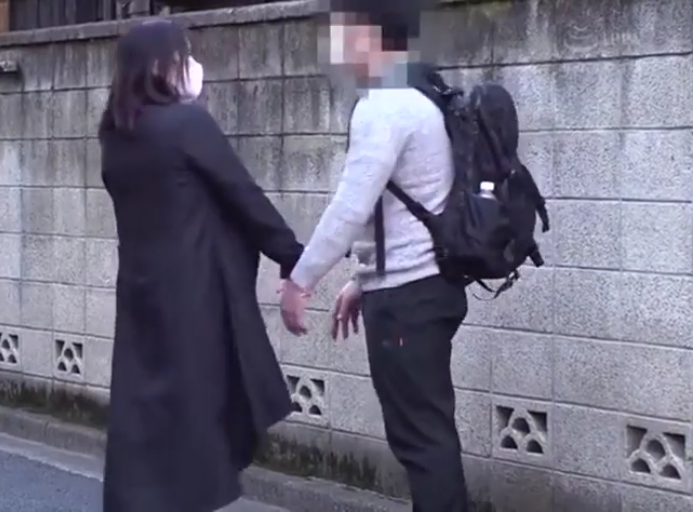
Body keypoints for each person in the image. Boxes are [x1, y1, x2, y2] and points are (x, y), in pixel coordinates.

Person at [98, 19, 304, 512]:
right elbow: (243, 196)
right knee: (199, 415)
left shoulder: (116, 134)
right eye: (183, 55)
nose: (191, 65)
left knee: (148, 417)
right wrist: (295, 258)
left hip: (143, 295)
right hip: (195, 294)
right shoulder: (186, 125)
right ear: (160, 66)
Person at [279, 1, 470, 512]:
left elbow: (351, 207)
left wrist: (301, 279)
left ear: (373, 34)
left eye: (343, 31)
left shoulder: (384, 104)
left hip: (408, 298)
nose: (336, 45)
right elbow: (410, 205)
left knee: (421, 442)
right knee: (428, 434)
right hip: (428, 287)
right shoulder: (421, 92)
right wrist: (362, 280)